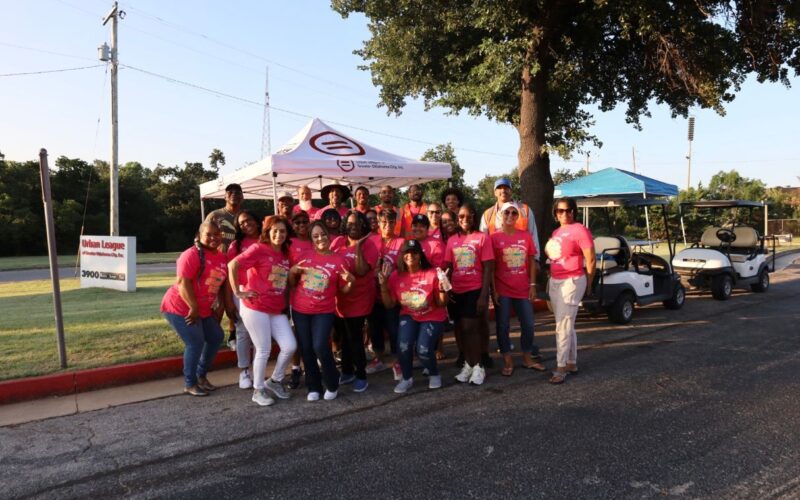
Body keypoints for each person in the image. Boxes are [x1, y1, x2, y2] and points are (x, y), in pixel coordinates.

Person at [228, 216, 297, 406]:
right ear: (267, 232)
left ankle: (274, 381)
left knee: (290, 345)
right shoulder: (258, 249)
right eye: (275, 230)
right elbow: (233, 264)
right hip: (255, 307)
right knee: (263, 349)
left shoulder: (284, 254)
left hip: (275, 308)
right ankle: (258, 390)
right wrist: (237, 291)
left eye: (282, 231)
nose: (279, 234)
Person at [160, 221, 234, 396]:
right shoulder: (191, 255)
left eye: (217, 234)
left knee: (216, 336)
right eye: (208, 234)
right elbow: (182, 283)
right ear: (200, 235)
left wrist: (220, 307)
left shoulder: (222, 257)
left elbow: (222, 285)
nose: (213, 238)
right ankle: (190, 383)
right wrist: (193, 308)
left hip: (203, 308)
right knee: (195, 342)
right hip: (179, 307)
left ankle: (201, 376)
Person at [289, 221, 356, 401]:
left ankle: (332, 382)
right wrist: (292, 271)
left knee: (319, 345)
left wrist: (350, 281)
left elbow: (343, 291)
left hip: (324, 311)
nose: (321, 239)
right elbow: (292, 282)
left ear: (329, 235)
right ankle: (314, 387)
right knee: (306, 348)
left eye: (323, 234)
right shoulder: (304, 256)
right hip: (300, 309)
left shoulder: (340, 260)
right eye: (316, 236)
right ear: (311, 239)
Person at [378, 239, 449, 393]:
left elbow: (442, 304)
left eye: (414, 252)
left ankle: (434, 373)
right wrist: (383, 287)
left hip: (432, 316)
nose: (410, 256)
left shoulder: (432, 274)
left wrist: (443, 289)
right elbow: (390, 304)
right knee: (403, 346)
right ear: (402, 256)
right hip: (409, 315)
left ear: (420, 255)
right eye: (406, 253)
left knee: (423, 349)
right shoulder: (396, 276)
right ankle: (407, 378)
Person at [490, 202, 546, 376]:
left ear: (518, 216)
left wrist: (532, 285)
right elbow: (490, 267)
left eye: (514, 213)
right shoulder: (494, 238)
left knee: (528, 324)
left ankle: (527, 357)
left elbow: (531, 261)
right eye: (507, 212)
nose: (510, 216)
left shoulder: (526, 236)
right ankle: (507, 359)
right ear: (501, 214)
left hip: (523, 288)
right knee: (503, 326)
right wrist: (494, 290)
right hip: (503, 289)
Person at [544, 197, 596, 385]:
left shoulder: (580, 230)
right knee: (566, 323)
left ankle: (560, 367)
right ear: (555, 213)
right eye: (560, 211)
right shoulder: (557, 231)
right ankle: (571, 362)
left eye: (568, 210)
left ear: (574, 212)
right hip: (556, 280)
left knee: (563, 325)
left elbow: (590, 259)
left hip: (572, 280)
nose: (564, 214)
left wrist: (589, 283)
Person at [445, 203, 494, 386]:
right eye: (461, 217)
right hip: (457, 290)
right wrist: (445, 288)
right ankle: (468, 364)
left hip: (475, 289)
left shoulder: (482, 238)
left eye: (469, 216)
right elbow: (448, 267)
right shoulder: (452, 240)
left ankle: (479, 366)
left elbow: (488, 268)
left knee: (470, 328)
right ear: (457, 219)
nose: (465, 220)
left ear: (474, 217)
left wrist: (484, 295)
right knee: (462, 330)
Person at [331, 210, 380, 393]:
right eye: (350, 223)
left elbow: (360, 271)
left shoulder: (370, 246)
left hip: (359, 298)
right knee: (343, 335)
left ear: (363, 226)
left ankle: (361, 375)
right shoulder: (338, 241)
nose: (353, 227)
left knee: (354, 337)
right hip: (340, 297)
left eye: (357, 223)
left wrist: (358, 248)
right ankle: (347, 371)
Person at [366, 209, 404, 377]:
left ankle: (399, 362)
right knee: (375, 328)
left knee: (394, 329)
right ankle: (379, 358)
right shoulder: (372, 241)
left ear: (395, 224)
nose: (387, 225)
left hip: (392, 295)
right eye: (383, 222)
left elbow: (404, 268)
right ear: (378, 224)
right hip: (373, 293)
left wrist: (391, 274)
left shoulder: (401, 242)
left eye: (390, 222)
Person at [227, 210, 262, 389]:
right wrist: (230, 299)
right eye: (241, 223)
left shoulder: (266, 240)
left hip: (263, 292)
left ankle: (258, 371)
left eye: (249, 220)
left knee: (260, 333)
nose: (246, 224)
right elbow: (229, 273)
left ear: (257, 221)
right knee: (242, 332)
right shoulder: (236, 245)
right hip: (241, 291)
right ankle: (244, 371)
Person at [479, 178, 540, 261]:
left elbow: (533, 235)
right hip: (497, 263)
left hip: (522, 261)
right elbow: (483, 241)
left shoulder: (524, 210)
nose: (503, 190)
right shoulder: (487, 214)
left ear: (511, 191)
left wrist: (536, 259)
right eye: (500, 188)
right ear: (495, 192)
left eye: (506, 188)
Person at [287, 210, 313, 389]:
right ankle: (296, 368)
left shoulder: (315, 241)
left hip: (316, 295)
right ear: (292, 225)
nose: (302, 225)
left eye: (305, 221)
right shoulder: (288, 243)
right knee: (296, 334)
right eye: (297, 222)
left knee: (313, 335)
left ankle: (312, 368)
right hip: (294, 294)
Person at [205, 183, 244, 253]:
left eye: (237, 192)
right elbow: (203, 236)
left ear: (242, 197)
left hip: (241, 259)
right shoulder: (214, 215)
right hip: (219, 259)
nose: (234, 194)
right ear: (225, 197)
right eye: (230, 192)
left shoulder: (245, 217)